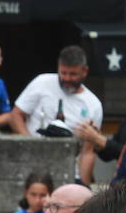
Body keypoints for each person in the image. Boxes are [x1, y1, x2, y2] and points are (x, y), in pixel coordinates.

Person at [11, 46, 103, 186]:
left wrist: (83, 187)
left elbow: (88, 152)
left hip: (69, 170)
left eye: (73, 74)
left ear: (85, 71)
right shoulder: (42, 82)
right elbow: (16, 115)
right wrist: (30, 142)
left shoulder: (93, 104)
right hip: (33, 166)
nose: (66, 78)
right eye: (63, 73)